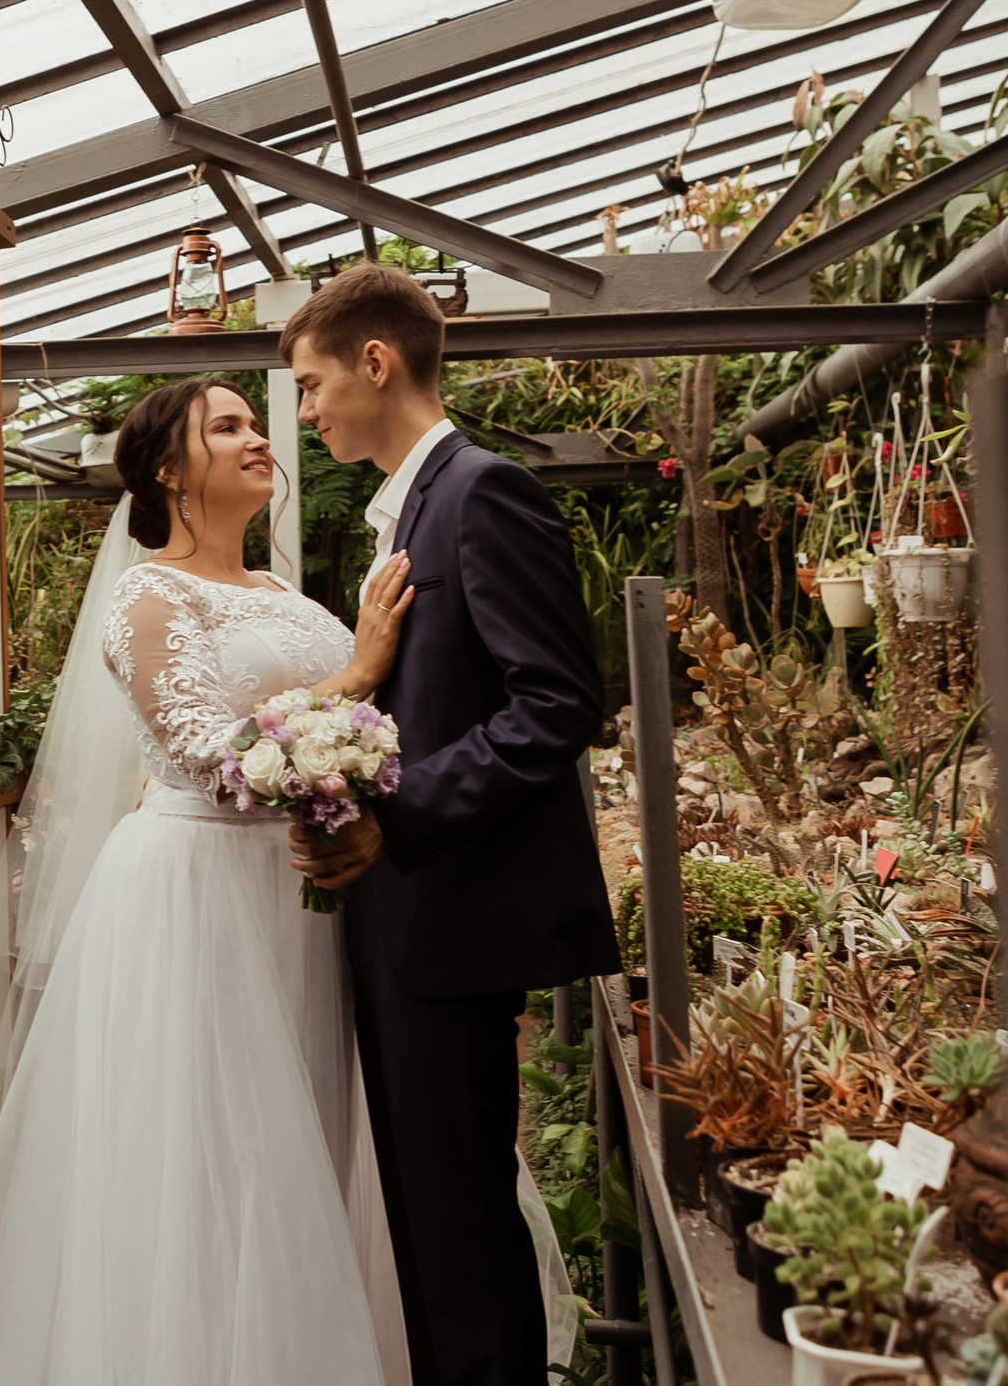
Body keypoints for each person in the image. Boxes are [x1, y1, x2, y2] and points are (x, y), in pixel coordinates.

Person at [0, 376, 572, 1385]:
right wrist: (355, 674)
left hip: (306, 905)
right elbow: (203, 760)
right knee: (215, 1162)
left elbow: (366, 740)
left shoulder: (286, 595)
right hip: (196, 904)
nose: (260, 438)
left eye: (258, 422)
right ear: (170, 470)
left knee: (312, 1139)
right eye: (229, 428)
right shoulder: (147, 594)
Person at [281, 263, 622, 1386]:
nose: (306, 409)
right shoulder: (410, 511)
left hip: (451, 918)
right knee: (430, 1223)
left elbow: (558, 704)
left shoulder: (481, 492)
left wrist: (395, 810)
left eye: (310, 382)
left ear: (375, 362)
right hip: (404, 914)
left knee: (459, 1230)